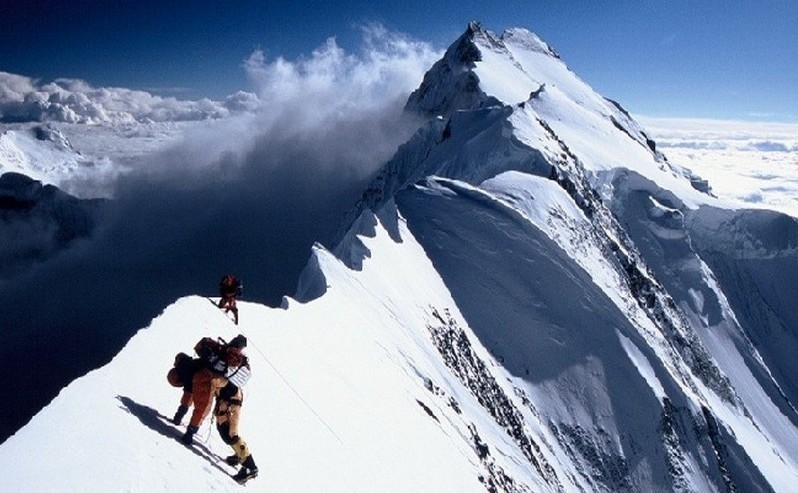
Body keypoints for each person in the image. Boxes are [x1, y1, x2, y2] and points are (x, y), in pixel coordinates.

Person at [181, 334, 258, 483]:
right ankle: (239, 455)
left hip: (229, 403)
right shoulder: (227, 365)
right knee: (228, 433)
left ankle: (250, 467)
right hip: (232, 400)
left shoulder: (218, 369)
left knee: (229, 435)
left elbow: (208, 399)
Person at [166, 352, 201, 425]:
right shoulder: (183, 363)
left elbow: (186, 402)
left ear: (178, 381)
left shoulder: (187, 380)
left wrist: (178, 417)